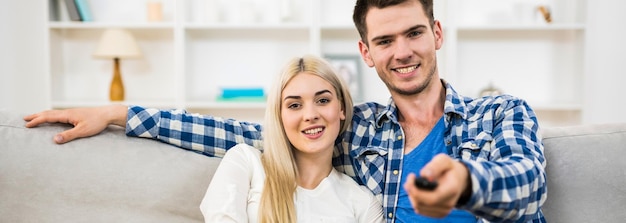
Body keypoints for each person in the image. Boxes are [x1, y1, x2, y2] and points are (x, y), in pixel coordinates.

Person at [24, 0, 547, 222]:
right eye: (385, 40)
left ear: (436, 34)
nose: (402, 51)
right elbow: (247, 132)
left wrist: (465, 184)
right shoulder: (361, 128)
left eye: (414, 33)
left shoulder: (500, 114)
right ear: (367, 53)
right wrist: (120, 113)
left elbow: (526, 186)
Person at [199, 55, 383, 222]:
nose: (310, 115)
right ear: (279, 115)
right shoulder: (245, 162)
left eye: (323, 100)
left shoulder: (362, 202)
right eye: (295, 105)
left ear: (341, 108)